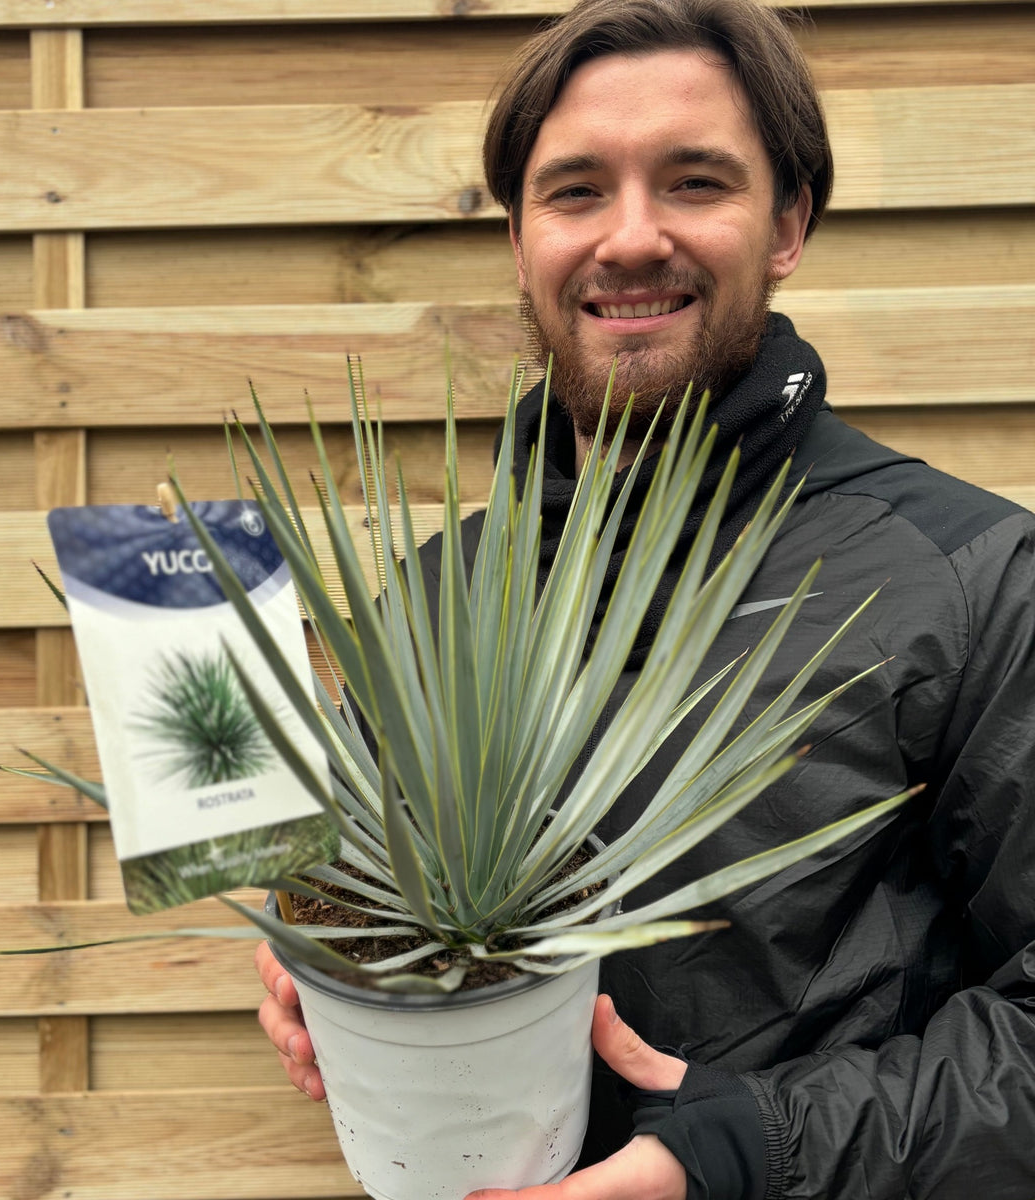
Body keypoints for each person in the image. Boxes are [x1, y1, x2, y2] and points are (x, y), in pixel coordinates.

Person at [256, 1, 1035, 1197]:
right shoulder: (430, 605)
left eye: (692, 182)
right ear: (519, 241)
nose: (630, 237)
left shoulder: (977, 581)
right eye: (575, 191)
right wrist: (330, 985)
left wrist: (737, 1153)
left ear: (788, 224)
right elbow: (370, 910)